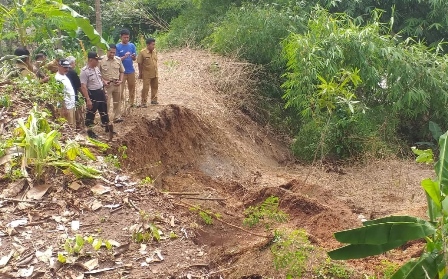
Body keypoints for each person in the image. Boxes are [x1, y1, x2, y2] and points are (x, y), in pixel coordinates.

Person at [79, 52, 114, 140]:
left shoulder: (96, 69)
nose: (98, 62)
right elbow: (83, 86)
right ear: (90, 60)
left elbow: (100, 78)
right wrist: (88, 99)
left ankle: (107, 127)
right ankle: (90, 132)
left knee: (104, 111)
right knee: (91, 113)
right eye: (96, 60)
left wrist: (104, 88)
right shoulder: (84, 71)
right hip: (92, 94)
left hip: (100, 92)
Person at [100, 44, 125, 123]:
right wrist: (103, 81)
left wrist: (121, 80)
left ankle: (116, 117)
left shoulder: (118, 60)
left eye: (114, 52)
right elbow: (97, 73)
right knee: (106, 103)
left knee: (117, 101)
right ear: (107, 51)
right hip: (107, 85)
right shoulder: (101, 60)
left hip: (117, 84)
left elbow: (122, 71)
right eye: (111, 52)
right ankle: (105, 119)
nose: (112, 54)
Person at [116, 29, 137, 107]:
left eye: (127, 37)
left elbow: (135, 59)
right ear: (121, 37)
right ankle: (121, 104)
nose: (126, 39)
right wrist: (124, 56)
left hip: (131, 70)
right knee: (120, 89)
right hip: (121, 72)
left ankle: (131, 103)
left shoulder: (132, 46)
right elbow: (116, 60)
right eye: (124, 37)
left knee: (132, 87)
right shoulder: (117, 47)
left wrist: (133, 56)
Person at [137, 38, 159, 107]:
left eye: (154, 45)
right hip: (146, 74)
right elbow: (139, 63)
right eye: (152, 45)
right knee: (145, 88)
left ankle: (154, 100)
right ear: (148, 45)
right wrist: (140, 73)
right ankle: (143, 102)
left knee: (155, 87)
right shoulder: (142, 52)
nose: (154, 46)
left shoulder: (154, 52)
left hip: (155, 73)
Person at [54, 59, 76, 127]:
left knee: (72, 125)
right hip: (66, 107)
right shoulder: (58, 78)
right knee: (68, 127)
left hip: (70, 106)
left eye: (68, 67)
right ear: (59, 66)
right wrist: (64, 108)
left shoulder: (64, 75)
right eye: (65, 67)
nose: (67, 69)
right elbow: (59, 94)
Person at [66, 56, 84, 131]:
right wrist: (84, 95)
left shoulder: (64, 72)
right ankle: (77, 126)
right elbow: (78, 86)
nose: (75, 64)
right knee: (75, 110)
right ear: (71, 63)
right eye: (74, 63)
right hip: (73, 94)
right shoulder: (73, 72)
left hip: (66, 96)